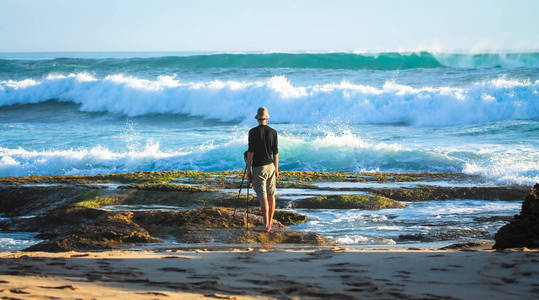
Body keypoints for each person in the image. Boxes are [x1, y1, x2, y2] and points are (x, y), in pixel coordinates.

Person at [246, 107, 279, 233]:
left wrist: (248, 169)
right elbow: (275, 153)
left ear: (257, 119)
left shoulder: (252, 132)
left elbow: (250, 152)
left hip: (259, 167)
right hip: (271, 167)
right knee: (271, 195)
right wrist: (276, 169)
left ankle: (265, 226)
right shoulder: (273, 132)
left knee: (263, 197)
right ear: (267, 118)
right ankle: (269, 223)